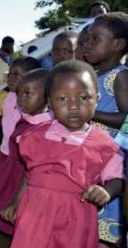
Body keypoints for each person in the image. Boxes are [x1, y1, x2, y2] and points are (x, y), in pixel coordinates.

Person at [1, 60, 124, 248]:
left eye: (83, 98)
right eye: (63, 99)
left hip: (75, 220)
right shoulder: (34, 136)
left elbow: (117, 178)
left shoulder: (104, 145)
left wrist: (107, 191)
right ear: (49, 102)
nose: (73, 106)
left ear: (97, 99)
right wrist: (15, 203)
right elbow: (29, 176)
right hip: (34, 216)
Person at [0, 69, 51, 235]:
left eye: (28, 94)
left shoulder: (46, 127)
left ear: (48, 97)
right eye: (19, 93)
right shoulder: (27, 118)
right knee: (2, 196)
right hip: (12, 167)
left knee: (20, 207)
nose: (21, 99)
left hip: (25, 177)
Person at [84, 12, 128, 245]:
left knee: (104, 223)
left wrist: (92, 114)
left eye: (95, 39)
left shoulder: (120, 76)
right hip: (91, 155)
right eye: (87, 39)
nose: (87, 44)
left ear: (118, 45)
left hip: (111, 159)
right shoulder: (92, 74)